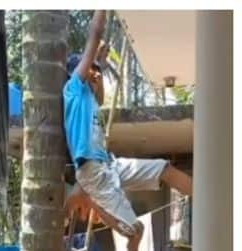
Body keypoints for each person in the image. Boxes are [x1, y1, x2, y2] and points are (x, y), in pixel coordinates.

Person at [63, 10, 192, 238]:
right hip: (92, 171)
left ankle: (210, 202)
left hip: (109, 165)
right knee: (135, 231)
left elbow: (100, 92)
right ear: (79, 72)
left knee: (164, 169)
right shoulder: (73, 89)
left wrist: (100, 64)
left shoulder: (90, 99)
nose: (95, 75)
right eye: (90, 70)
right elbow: (94, 36)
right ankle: (90, 200)